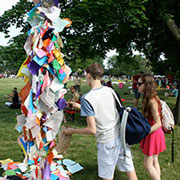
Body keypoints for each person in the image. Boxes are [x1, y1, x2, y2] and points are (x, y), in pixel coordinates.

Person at [63, 63, 138, 180]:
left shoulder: (87, 98)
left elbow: (92, 130)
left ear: (88, 75)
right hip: (121, 138)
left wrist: (72, 130)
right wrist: (78, 106)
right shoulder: (110, 91)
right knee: (130, 171)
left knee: (107, 177)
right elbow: (103, 109)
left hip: (107, 143)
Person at [137, 75, 166, 180]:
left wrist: (146, 131)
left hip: (153, 133)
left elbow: (158, 123)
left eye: (140, 84)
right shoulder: (150, 98)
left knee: (148, 164)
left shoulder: (151, 101)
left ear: (146, 85)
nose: (137, 86)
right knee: (154, 160)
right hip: (154, 132)